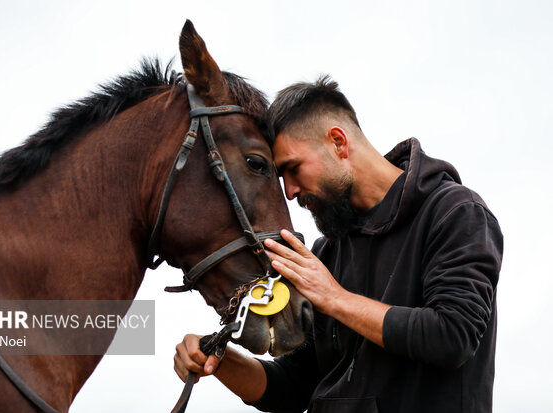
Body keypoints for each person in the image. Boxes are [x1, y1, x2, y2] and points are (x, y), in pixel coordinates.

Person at [173, 76, 503, 413]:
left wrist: (334, 298)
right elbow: (295, 386)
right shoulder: (327, 253)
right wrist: (221, 361)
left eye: (293, 168)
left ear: (338, 142)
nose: (289, 192)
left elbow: (452, 336)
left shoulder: (456, 213)